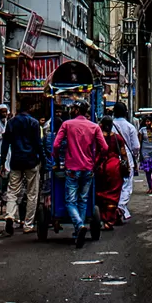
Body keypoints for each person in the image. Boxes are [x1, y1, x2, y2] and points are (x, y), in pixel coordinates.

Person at [53, 101, 108, 248]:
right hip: (88, 168)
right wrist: (96, 162)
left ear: (76, 110)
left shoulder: (67, 124)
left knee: (70, 201)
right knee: (83, 200)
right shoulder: (94, 126)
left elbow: (56, 145)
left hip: (72, 168)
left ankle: (79, 225)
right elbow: (105, 147)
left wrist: (57, 160)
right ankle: (79, 230)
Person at [0, 96, 44, 235]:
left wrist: (2, 162)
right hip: (31, 161)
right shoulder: (34, 123)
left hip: (16, 160)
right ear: (30, 108)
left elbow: (5, 144)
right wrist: (43, 159)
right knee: (32, 193)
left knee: (12, 191)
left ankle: (10, 216)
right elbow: (38, 144)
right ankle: (28, 224)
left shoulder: (11, 123)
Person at [95, 116, 126, 229]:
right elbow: (123, 154)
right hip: (114, 167)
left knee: (100, 192)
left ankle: (102, 216)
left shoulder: (97, 137)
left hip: (100, 167)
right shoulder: (118, 138)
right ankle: (110, 220)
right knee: (113, 195)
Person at [112, 102, 140, 222]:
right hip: (127, 160)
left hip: (111, 160)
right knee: (126, 186)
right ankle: (120, 207)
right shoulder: (130, 127)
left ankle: (114, 208)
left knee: (114, 186)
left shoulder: (110, 126)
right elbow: (136, 146)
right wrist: (135, 156)